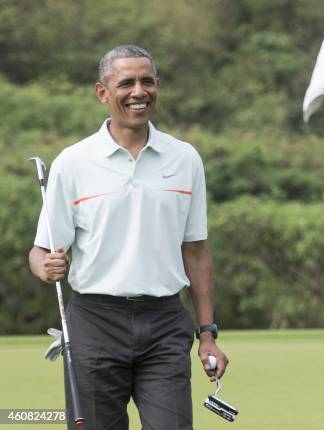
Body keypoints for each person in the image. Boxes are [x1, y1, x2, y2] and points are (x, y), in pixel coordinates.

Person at [29, 45, 227, 429]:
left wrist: (207, 333)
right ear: (102, 92)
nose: (139, 91)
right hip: (95, 321)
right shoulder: (73, 162)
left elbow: (197, 251)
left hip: (165, 321)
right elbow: (41, 250)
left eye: (147, 81)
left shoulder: (185, 158)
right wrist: (45, 268)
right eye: (126, 83)